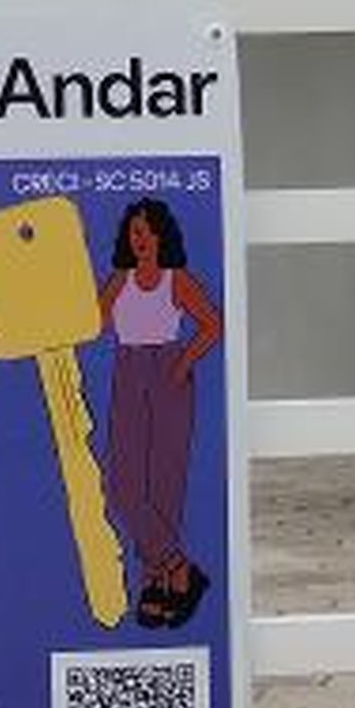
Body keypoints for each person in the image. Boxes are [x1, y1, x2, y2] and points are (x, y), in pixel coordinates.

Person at [95, 196, 222, 628]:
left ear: (161, 235)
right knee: (123, 485)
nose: (140, 240)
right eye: (133, 232)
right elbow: (94, 323)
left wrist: (184, 362)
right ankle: (177, 566)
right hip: (128, 372)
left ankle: (153, 580)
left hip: (168, 372)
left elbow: (212, 324)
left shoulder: (176, 280)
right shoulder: (119, 281)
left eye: (146, 232)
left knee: (165, 481)